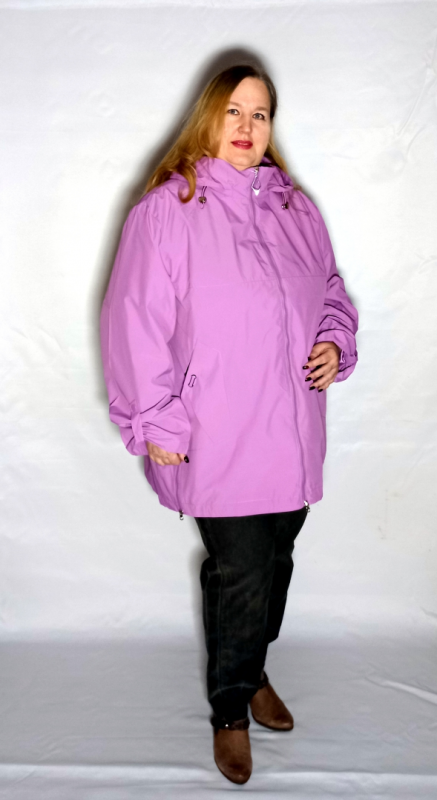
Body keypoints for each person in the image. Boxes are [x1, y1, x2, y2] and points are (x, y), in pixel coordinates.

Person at [99, 63, 359, 785]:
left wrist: (334, 342)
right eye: (234, 111)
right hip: (217, 431)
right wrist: (156, 419)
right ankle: (229, 710)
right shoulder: (168, 210)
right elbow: (134, 320)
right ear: (208, 117)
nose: (247, 127)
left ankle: (251, 668)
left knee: (275, 562)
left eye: (261, 114)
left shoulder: (295, 209)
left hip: (293, 428)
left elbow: (330, 291)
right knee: (241, 571)